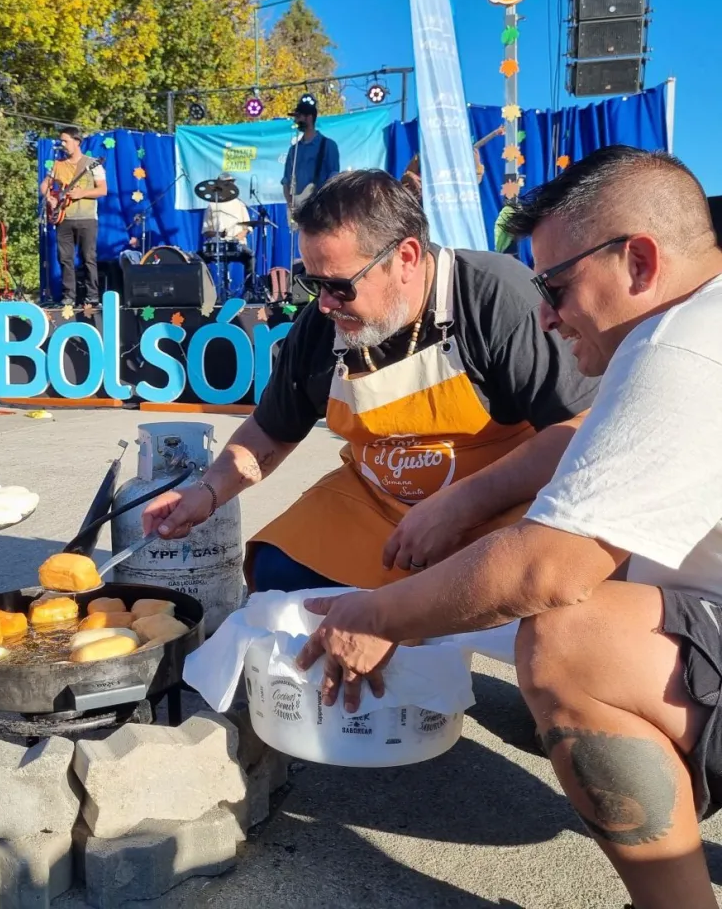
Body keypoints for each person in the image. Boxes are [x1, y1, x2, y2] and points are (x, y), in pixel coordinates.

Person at [295, 147, 722, 909]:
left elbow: (544, 570)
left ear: (641, 262)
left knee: (568, 641)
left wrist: (378, 613)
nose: (548, 313)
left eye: (557, 285)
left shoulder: (679, 347)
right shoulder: (690, 324)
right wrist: (461, 503)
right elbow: (580, 445)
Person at [143, 169, 597, 593]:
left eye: (339, 285)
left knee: (548, 615)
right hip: (378, 504)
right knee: (274, 571)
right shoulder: (321, 323)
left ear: (406, 258)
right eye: (311, 282)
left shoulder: (496, 297)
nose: (323, 303)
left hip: (501, 504)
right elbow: (270, 430)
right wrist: (206, 492)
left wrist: (463, 506)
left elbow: (581, 430)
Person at [40, 127, 107, 307]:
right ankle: (68, 297)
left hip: (87, 219)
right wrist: (50, 199)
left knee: (88, 258)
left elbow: (103, 189)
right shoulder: (57, 165)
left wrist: (83, 193)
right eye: (61, 141)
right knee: (65, 259)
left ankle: (92, 296)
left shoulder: (93, 163)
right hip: (64, 218)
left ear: (77, 142)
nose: (62, 145)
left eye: (65, 141)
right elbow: (44, 186)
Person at [282, 94, 340, 225]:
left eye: (298, 117)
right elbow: (286, 181)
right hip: (298, 208)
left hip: (321, 208)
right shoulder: (294, 150)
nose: (295, 121)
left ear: (309, 117)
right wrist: (291, 205)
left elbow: (334, 178)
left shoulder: (328, 145)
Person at [201, 172, 257, 296]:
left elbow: (247, 226)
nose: (230, 185)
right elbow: (206, 231)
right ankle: (206, 293)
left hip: (237, 245)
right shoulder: (212, 204)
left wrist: (241, 235)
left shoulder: (239, 203)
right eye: (227, 183)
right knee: (200, 258)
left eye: (231, 183)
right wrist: (219, 234)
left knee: (250, 256)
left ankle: (249, 293)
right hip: (218, 246)